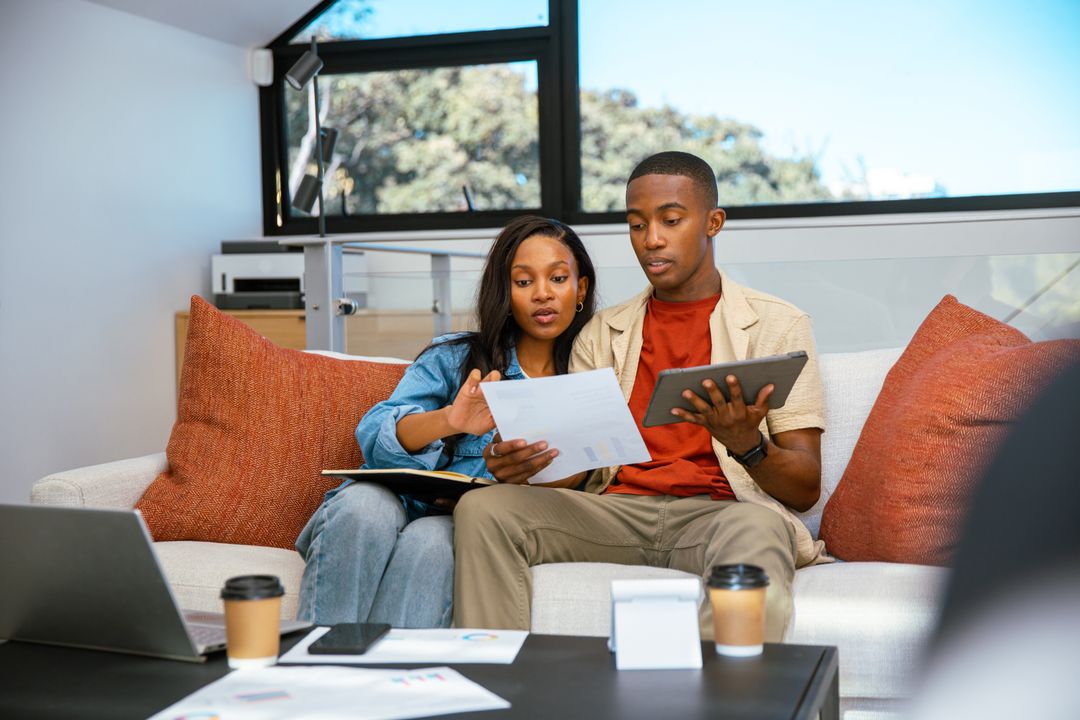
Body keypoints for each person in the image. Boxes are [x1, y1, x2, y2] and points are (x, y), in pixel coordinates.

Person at [454, 151, 827, 641]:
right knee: (485, 508)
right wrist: (528, 467)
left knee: (759, 531)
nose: (651, 239)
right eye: (636, 225)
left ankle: (726, 701)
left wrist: (747, 444)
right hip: (615, 512)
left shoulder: (779, 324)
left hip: (719, 515)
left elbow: (805, 488)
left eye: (671, 220)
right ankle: (499, 689)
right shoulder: (603, 332)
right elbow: (583, 470)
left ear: (713, 222)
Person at [295, 215, 597, 628]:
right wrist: (450, 420)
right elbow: (375, 432)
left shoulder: (591, 378)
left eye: (558, 279)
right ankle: (316, 670)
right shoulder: (456, 357)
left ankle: (393, 681)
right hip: (395, 499)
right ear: (505, 293)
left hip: (462, 522)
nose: (542, 294)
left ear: (580, 288)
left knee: (435, 541)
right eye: (524, 282)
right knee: (364, 507)